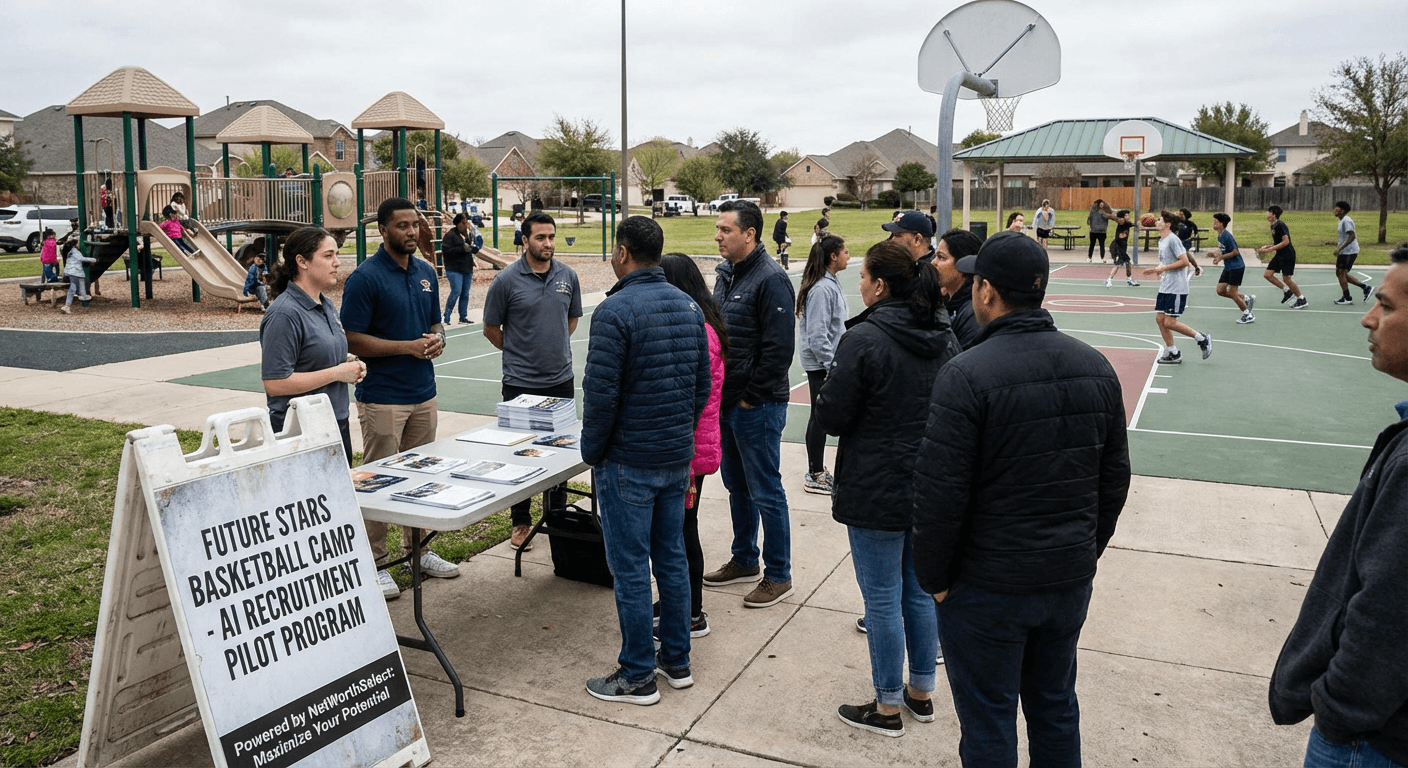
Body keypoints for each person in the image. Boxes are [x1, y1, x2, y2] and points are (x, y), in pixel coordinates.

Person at [913, 231, 1131, 767]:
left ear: (985, 291)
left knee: (988, 718)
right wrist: (1083, 550)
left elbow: (940, 493)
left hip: (989, 585)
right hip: (1065, 578)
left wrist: (935, 580)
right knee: (1055, 705)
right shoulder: (1096, 367)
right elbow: (1114, 480)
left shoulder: (966, 375)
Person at [1269, 244, 1408, 767]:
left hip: (1373, 738)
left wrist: (1339, 708)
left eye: (1388, 307)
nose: (1369, 319)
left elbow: (1388, 607)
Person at [815, 239, 957, 738]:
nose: (858, 284)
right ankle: (920, 692)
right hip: (928, 484)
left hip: (876, 485)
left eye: (862, 277)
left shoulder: (866, 339)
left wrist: (829, 390)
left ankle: (888, 706)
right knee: (918, 592)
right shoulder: (942, 334)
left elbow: (832, 415)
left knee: (881, 598)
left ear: (879, 285)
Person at [581, 216, 711, 706]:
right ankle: (675, 660)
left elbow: (601, 396)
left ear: (622, 253)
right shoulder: (688, 306)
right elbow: (700, 390)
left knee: (633, 568)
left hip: (629, 461)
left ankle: (638, 674)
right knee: (671, 559)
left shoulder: (615, 312)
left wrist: (593, 451)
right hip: (673, 458)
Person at [341, 197, 458, 599]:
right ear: (383, 230)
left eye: (415, 225)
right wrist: (406, 348)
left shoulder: (425, 271)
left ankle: (417, 551)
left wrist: (438, 338)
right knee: (380, 480)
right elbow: (352, 338)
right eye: (403, 226)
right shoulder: (365, 278)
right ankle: (376, 563)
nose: (411, 232)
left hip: (423, 392)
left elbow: (434, 321)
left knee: (421, 477)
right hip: (383, 397)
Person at [703, 199, 797, 608]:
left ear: (750, 235)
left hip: (756, 406)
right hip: (729, 401)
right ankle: (745, 559)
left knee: (765, 489)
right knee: (736, 485)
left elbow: (779, 351)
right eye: (719, 229)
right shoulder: (726, 274)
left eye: (726, 230)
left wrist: (748, 400)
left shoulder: (772, 279)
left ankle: (779, 574)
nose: (718, 236)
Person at [482, 211, 584, 550]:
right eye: (541, 237)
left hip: (560, 382)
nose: (548, 244)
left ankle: (554, 516)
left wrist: (551, 349)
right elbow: (491, 329)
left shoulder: (568, 276)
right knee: (520, 456)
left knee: (558, 454)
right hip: (519, 385)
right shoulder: (506, 280)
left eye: (552, 237)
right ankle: (521, 521)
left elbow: (571, 320)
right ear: (524, 240)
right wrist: (520, 352)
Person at [659, 253, 728, 639]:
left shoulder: (698, 329)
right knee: (681, 527)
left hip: (689, 449)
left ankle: (692, 611)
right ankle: (681, 602)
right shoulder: (706, 322)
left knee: (683, 529)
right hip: (696, 445)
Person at [259, 226, 366, 462]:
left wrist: (344, 362)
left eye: (336, 255)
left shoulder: (325, 304)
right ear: (302, 262)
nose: (337, 262)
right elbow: (275, 383)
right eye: (328, 256)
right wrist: (338, 372)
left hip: (335, 423)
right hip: (300, 431)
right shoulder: (284, 314)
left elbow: (310, 358)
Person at [796, 234, 850, 495]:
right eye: (845, 251)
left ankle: (816, 469)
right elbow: (818, 336)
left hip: (825, 361)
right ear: (833, 256)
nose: (848, 255)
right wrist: (831, 366)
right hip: (820, 364)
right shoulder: (822, 289)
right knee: (818, 416)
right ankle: (814, 472)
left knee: (820, 415)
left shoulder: (830, 283)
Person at [1143, 211, 1212, 365]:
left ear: (1167, 224)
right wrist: (1156, 269)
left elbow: (1184, 262)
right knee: (1160, 319)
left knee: (1170, 322)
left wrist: (1162, 269)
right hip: (1166, 286)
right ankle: (1174, 352)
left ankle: (1202, 338)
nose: (1156, 221)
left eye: (1160, 219)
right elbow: (1166, 262)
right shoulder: (1162, 241)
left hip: (1176, 288)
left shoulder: (1173, 240)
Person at [934, 228, 984, 350]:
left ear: (964, 264)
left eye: (941, 258)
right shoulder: (950, 301)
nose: (933, 263)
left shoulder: (973, 312)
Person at [1209, 213, 1254, 324]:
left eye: (1216, 222)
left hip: (1236, 267)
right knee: (1220, 290)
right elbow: (1225, 249)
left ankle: (1247, 315)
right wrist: (1216, 254)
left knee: (1233, 292)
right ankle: (1245, 298)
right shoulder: (1220, 235)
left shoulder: (1226, 236)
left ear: (1221, 224)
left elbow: (1235, 252)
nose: (1213, 224)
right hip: (1229, 267)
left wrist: (1221, 257)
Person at [1259, 205, 1307, 309]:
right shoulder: (1273, 225)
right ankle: (1287, 291)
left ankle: (1301, 299)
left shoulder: (1280, 225)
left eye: (1269, 213)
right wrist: (1269, 246)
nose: (1267, 215)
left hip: (1287, 254)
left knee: (1287, 278)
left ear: (1274, 215)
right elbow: (1278, 242)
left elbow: (1286, 241)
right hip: (1280, 254)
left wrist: (1269, 250)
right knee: (1268, 274)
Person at [442, 213, 479, 325]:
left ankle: (463, 316)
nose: (466, 225)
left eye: (466, 222)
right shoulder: (450, 236)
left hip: (466, 268)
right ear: (457, 224)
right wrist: (462, 248)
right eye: (463, 223)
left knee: (465, 293)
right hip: (454, 268)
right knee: (456, 291)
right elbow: (446, 251)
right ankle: (446, 316)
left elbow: (470, 249)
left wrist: (473, 249)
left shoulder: (468, 235)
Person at [1333, 201, 1372, 305]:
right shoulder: (1342, 221)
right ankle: (1365, 288)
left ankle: (1347, 297)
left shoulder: (1346, 221)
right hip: (1346, 252)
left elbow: (1352, 236)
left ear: (1342, 210)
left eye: (1336, 208)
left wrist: (1340, 248)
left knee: (1341, 273)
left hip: (1349, 252)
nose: (1334, 210)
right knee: (1341, 273)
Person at [1105, 210, 1140, 288]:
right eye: (1126, 216)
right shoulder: (1121, 224)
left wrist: (1139, 224)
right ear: (1122, 218)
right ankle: (1109, 279)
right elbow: (1120, 235)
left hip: (1123, 247)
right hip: (1118, 247)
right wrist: (1122, 235)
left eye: (1128, 215)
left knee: (1127, 263)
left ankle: (1129, 278)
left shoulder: (1127, 223)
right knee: (1119, 264)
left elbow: (1133, 224)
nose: (1128, 217)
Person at [58, 240, 94, 315]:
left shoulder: (69, 252)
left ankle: (67, 306)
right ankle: (82, 295)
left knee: (72, 288)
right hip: (76, 272)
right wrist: (94, 259)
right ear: (75, 245)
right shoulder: (75, 251)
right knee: (81, 281)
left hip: (70, 272)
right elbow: (82, 259)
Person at [1176, 208, 1203, 278]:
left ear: (1185, 215)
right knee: (1184, 255)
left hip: (1186, 241)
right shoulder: (1176, 223)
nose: (1180, 215)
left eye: (1181, 214)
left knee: (1183, 254)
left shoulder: (1190, 224)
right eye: (1179, 214)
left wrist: (1193, 237)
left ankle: (1192, 267)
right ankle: (1195, 267)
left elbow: (1196, 232)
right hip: (1177, 241)